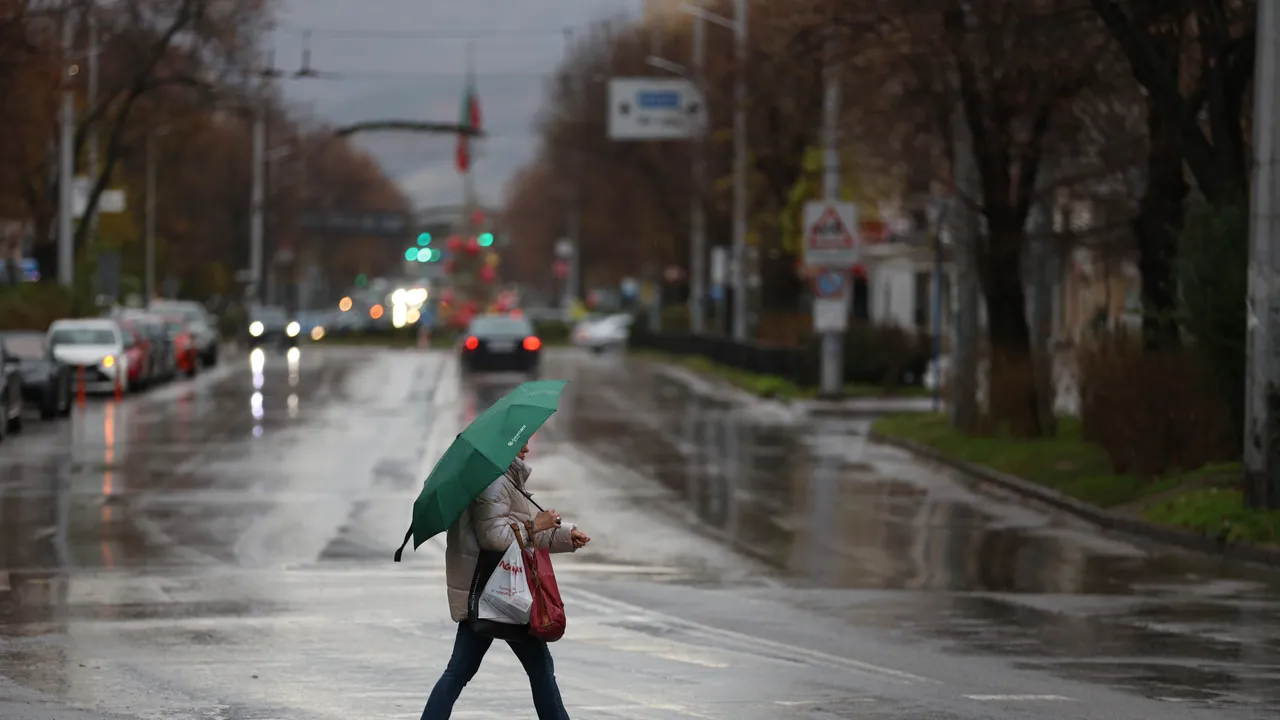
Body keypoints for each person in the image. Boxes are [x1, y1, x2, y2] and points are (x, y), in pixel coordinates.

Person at [422, 441, 591, 720]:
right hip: (502, 591)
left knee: (460, 671)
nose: (526, 447)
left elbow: (521, 535)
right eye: (519, 442)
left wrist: (565, 534)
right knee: (540, 669)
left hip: (488, 591)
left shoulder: (503, 478)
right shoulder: (495, 482)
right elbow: (497, 538)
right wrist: (538, 524)